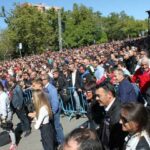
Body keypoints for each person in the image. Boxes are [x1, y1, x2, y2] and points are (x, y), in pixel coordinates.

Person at [95, 82, 126, 150]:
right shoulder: (105, 107)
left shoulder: (118, 113)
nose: (96, 98)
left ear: (109, 95)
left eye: (98, 96)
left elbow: (116, 143)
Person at [41, 74, 64, 145]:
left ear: (47, 80)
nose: (41, 81)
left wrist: (53, 111)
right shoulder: (44, 87)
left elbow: (55, 102)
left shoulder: (51, 88)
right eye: (41, 79)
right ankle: (57, 140)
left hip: (54, 110)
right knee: (53, 126)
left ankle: (62, 142)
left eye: (43, 79)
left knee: (57, 126)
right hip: (49, 110)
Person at [0, 82, 17, 150]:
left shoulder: (2, 96)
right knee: (9, 129)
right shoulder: (3, 94)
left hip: (5, 115)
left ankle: (14, 144)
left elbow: (3, 108)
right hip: (4, 114)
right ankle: (13, 140)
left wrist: (3, 119)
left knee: (9, 129)